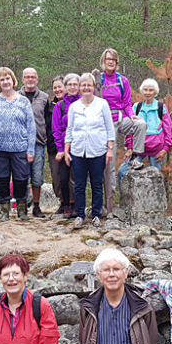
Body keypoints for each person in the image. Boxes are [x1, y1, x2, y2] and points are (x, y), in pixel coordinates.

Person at [96, 48, 147, 215]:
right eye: (108, 59)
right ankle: (108, 205)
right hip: (103, 122)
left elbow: (127, 103)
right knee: (109, 165)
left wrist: (132, 116)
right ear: (103, 61)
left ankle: (134, 158)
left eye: (113, 59)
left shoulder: (122, 80)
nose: (110, 61)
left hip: (119, 118)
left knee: (140, 125)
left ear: (117, 62)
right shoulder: (98, 79)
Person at [64, 72, 115, 229]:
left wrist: (110, 149)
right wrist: (67, 150)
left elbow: (109, 128)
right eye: (83, 85)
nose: (86, 87)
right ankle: (80, 215)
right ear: (79, 87)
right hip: (79, 151)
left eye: (89, 85)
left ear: (93, 87)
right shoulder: (74, 107)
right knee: (79, 185)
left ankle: (96, 215)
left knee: (96, 184)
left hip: (98, 151)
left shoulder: (102, 104)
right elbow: (70, 129)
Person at [0, 67, 37, 222]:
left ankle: (22, 209)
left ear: (13, 81)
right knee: (1, 179)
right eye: (2, 79)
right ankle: (4, 210)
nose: (5, 82)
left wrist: (30, 149)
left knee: (21, 179)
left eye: (8, 78)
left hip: (20, 148)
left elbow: (31, 126)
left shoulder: (23, 101)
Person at [117, 78, 172, 186]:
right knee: (122, 172)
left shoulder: (161, 107)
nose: (148, 93)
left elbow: (168, 129)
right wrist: (129, 147)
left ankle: (155, 203)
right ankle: (125, 201)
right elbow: (130, 129)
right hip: (137, 150)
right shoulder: (136, 107)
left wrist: (165, 149)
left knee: (155, 181)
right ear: (142, 91)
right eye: (145, 90)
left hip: (156, 149)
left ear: (155, 92)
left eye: (150, 90)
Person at [19, 68, 52, 218]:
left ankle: (37, 207)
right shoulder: (16, 97)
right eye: (27, 77)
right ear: (22, 79)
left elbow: (47, 120)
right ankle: (22, 207)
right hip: (20, 144)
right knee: (21, 176)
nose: (30, 80)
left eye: (33, 77)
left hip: (38, 143)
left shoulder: (44, 98)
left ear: (37, 79)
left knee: (37, 177)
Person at [52, 73, 81, 219]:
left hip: (81, 147)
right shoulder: (60, 105)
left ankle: (77, 205)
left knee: (77, 178)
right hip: (65, 148)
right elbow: (56, 129)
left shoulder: (85, 103)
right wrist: (60, 149)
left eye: (75, 84)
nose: (72, 87)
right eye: (69, 84)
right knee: (63, 178)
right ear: (65, 87)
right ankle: (66, 206)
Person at [46, 75, 65, 214]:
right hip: (53, 148)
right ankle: (62, 203)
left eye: (60, 86)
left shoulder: (74, 103)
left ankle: (73, 203)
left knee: (71, 177)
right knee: (56, 177)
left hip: (71, 147)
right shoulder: (49, 106)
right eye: (55, 87)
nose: (58, 90)